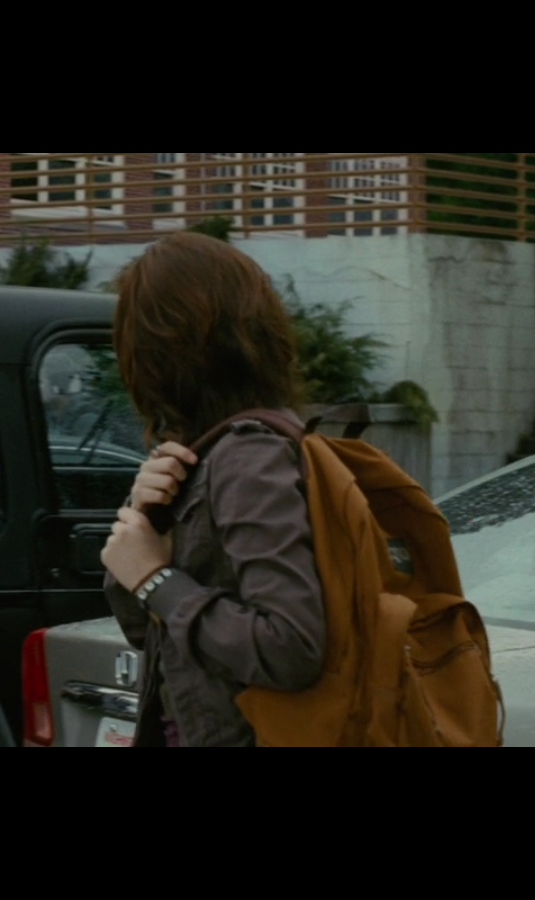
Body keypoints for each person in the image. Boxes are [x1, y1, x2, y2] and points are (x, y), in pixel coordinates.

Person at [100, 232, 326, 749]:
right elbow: (148, 631)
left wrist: (154, 578)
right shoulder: (203, 454)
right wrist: (147, 518)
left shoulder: (249, 457)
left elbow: (291, 646)